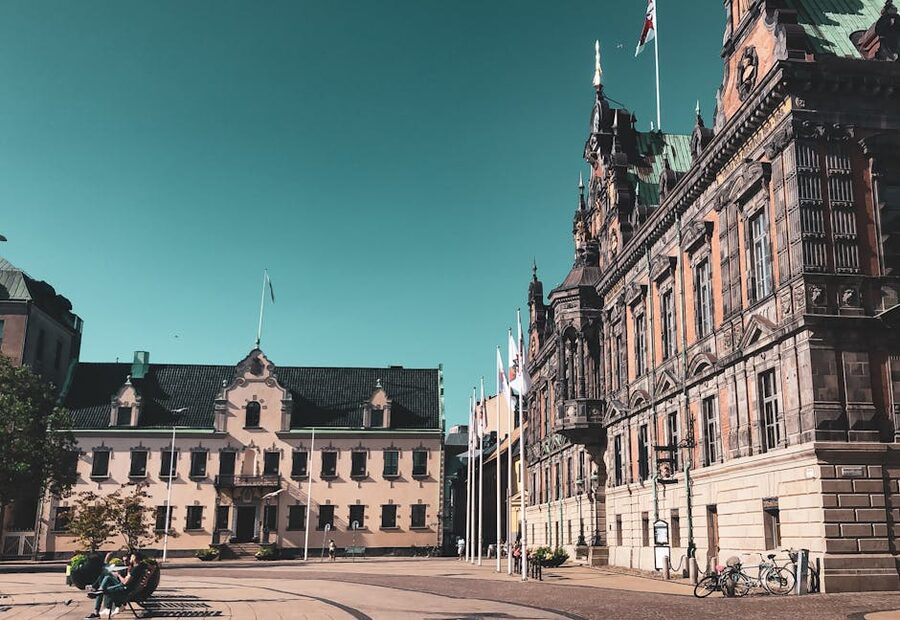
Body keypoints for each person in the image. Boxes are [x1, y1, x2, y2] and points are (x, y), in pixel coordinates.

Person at [85, 552, 147, 619]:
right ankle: (98, 590)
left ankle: (96, 609)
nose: (130, 558)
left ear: (135, 558)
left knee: (103, 587)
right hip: (127, 588)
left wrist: (118, 575)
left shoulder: (136, 569)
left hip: (124, 590)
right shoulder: (140, 567)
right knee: (107, 578)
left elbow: (125, 582)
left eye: (132, 557)